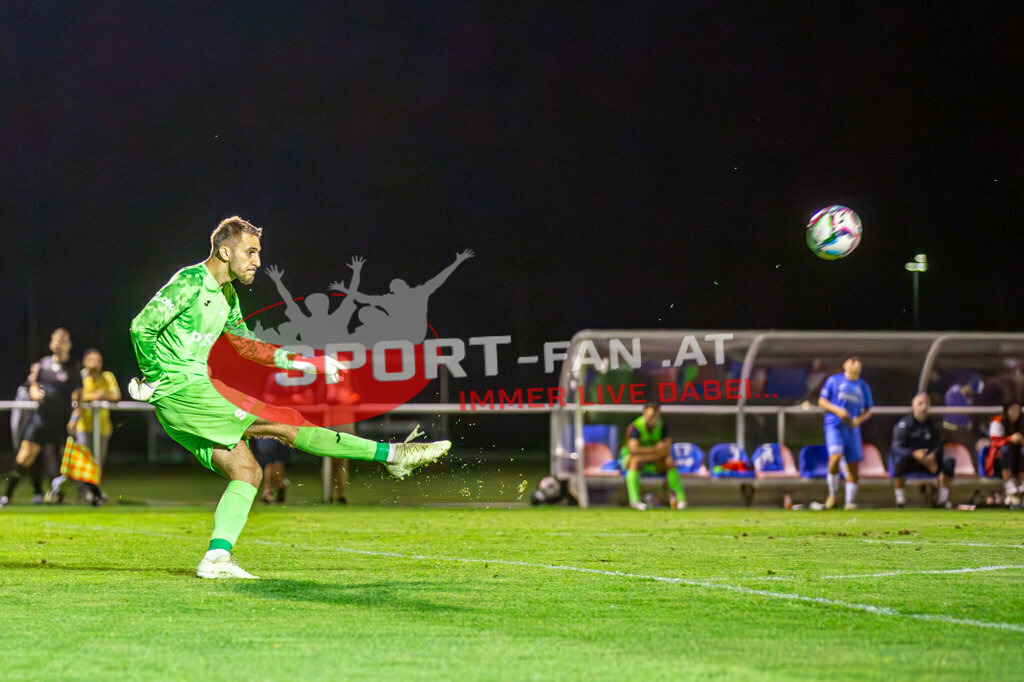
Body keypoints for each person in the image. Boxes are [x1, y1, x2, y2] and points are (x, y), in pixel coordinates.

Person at [128, 216, 450, 579]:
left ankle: (216, 558)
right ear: (225, 252)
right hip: (183, 389)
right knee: (284, 422)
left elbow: (247, 345)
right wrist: (154, 376)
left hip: (189, 391)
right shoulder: (190, 281)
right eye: (250, 252)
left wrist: (305, 363)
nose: (257, 261)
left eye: (258, 253)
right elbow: (141, 327)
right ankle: (394, 455)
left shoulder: (227, 295)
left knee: (247, 471)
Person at [2, 329, 81, 507]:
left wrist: (74, 419)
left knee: (64, 462)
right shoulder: (43, 364)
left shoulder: (73, 367)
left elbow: (78, 396)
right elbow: (34, 384)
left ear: (69, 343)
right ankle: (7, 495)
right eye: (55, 339)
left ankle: (79, 495)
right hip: (41, 419)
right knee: (25, 456)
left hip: (62, 421)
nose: (58, 342)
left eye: (62, 339)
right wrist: (35, 391)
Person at [818, 356, 874, 510]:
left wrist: (858, 420)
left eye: (858, 364)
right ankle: (833, 494)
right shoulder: (834, 381)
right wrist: (838, 410)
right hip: (834, 425)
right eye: (852, 362)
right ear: (845, 365)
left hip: (852, 428)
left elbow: (869, 410)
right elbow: (822, 401)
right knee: (835, 456)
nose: (855, 366)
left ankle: (849, 501)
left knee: (852, 465)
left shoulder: (862, 386)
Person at [891, 393, 954, 508]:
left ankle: (942, 500)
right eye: (920, 404)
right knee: (898, 465)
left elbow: (938, 444)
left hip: (929, 460)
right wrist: (913, 453)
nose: (924, 407)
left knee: (948, 463)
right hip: (911, 459)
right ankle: (900, 500)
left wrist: (932, 456)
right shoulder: (904, 424)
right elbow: (896, 447)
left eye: (926, 404)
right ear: (913, 405)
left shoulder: (932, 424)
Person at [618, 403, 686, 510]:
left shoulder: (662, 426)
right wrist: (655, 450)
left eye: (655, 415)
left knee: (669, 461)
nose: (653, 418)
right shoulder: (635, 427)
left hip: (653, 459)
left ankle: (680, 499)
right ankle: (634, 501)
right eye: (650, 415)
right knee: (635, 461)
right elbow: (634, 450)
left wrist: (649, 452)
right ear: (644, 413)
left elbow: (666, 448)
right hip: (634, 459)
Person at [985, 402, 1024, 508]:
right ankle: (1009, 483)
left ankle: (1022, 482)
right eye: (1012, 409)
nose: (1015, 413)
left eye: (1017, 410)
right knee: (1005, 450)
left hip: (1018, 459)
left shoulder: (1022, 422)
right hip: (999, 461)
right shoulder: (998, 421)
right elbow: (994, 441)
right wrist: (1010, 439)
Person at [942, 376, 982, 452]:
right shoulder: (952, 393)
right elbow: (955, 415)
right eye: (972, 390)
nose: (972, 393)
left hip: (963, 431)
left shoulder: (970, 399)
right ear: (968, 385)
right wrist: (967, 421)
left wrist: (970, 421)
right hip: (950, 429)